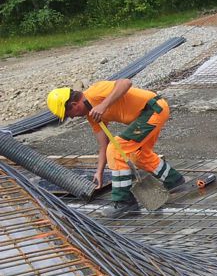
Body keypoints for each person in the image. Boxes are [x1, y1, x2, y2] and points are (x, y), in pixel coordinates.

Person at [45, 79, 185, 217]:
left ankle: (124, 202)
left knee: (116, 149)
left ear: (74, 104)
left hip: (152, 109)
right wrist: (99, 172)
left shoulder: (94, 92)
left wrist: (103, 105)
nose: (73, 118)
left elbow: (126, 83)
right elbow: (103, 145)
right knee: (137, 154)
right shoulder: (92, 115)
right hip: (146, 116)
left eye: (70, 115)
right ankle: (174, 181)